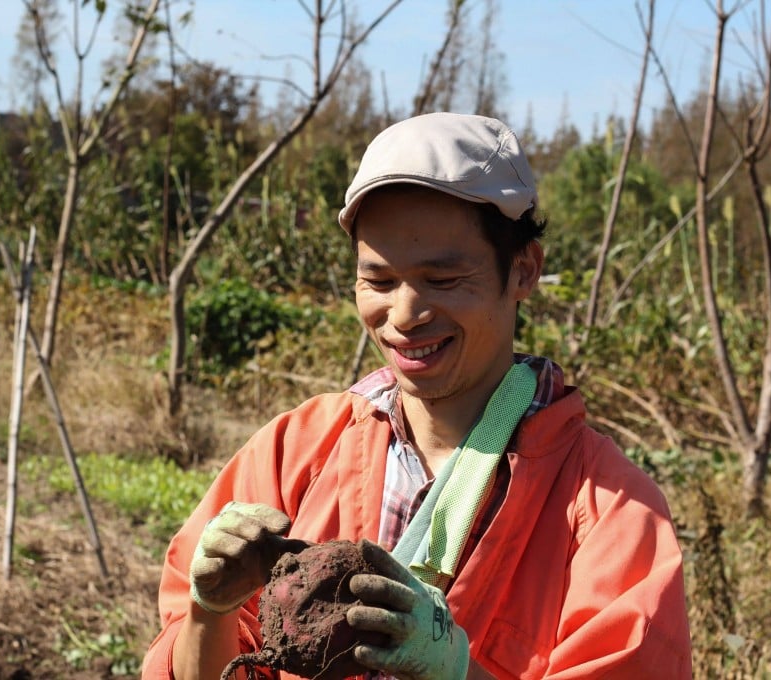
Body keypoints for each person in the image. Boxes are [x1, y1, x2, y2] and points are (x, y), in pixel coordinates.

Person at [142, 112, 692, 679]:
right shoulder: (295, 453)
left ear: (523, 270)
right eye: (378, 281)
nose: (404, 315)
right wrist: (211, 609)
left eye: (444, 279)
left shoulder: (608, 508)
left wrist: (456, 672)